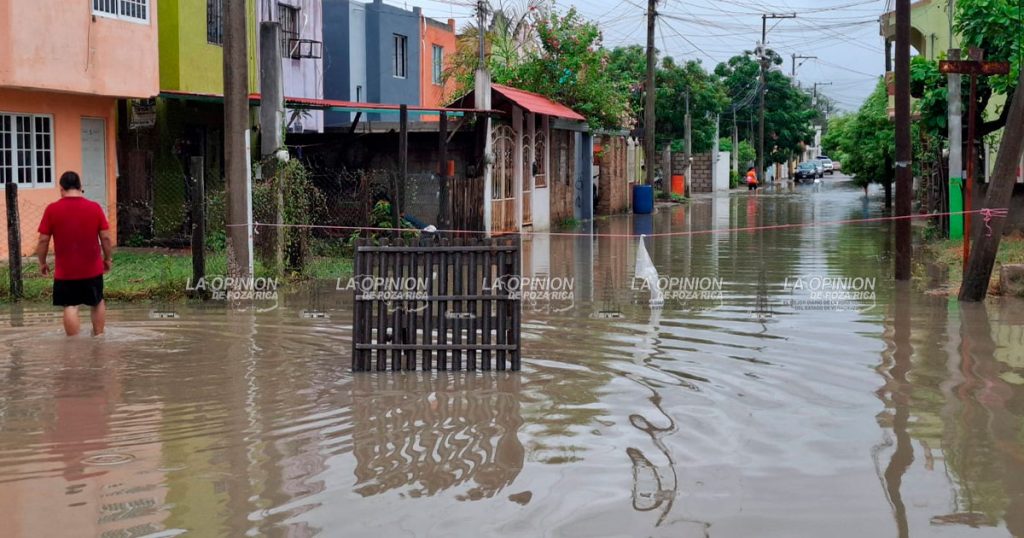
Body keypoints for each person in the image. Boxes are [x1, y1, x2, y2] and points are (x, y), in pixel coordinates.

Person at [36, 171, 113, 336]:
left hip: (66, 272)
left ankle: (73, 345)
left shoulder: (52, 209)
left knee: (70, 305)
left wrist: (42, 262)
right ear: (80, 187)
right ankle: (99, 337)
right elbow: (105, 237)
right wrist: (108, 258)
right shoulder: (94, 208)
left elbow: (43, 240)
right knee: (97, 301)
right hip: (92, 269)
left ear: (61, 188)